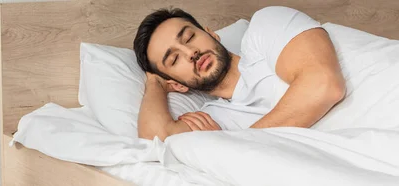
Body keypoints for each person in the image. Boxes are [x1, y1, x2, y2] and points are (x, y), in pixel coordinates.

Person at [133, 6, 346, 141]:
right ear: (177, 84)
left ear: (211, 34)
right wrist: (155, 84)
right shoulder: (212, 120)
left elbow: (324, 86)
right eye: (174, 59)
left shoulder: (264, 28)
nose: (191, 53)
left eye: (189, 38)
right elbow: (156, 140)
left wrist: (234, 146)